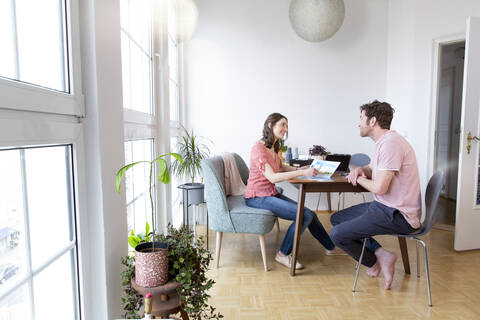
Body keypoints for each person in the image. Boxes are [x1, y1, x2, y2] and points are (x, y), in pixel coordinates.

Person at [330, 100, 421, 290]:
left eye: (361, 118)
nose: (358, 123)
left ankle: (373, 261)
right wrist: (361, 170)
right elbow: (373, 168)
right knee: (337, 219)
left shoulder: (391, 144)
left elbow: (380, 188)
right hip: (384, 207)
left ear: (372, 122)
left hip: (398, 214)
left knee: (337, 235)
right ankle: (381, 253)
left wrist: (356, 179)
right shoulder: (383, 142)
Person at [244, 112, 342, 270]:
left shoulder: (273, 147)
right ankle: (283, 254)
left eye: (287, 126)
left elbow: (281, 167)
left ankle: (331, 248)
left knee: (311, 214)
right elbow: (273, 177)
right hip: (257, 197)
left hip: (270, 194)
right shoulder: (258, 149)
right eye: (282, 124)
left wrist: (300, 168)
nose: (286, 129)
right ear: (270, 125)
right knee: (304, 214)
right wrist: (302, 173)